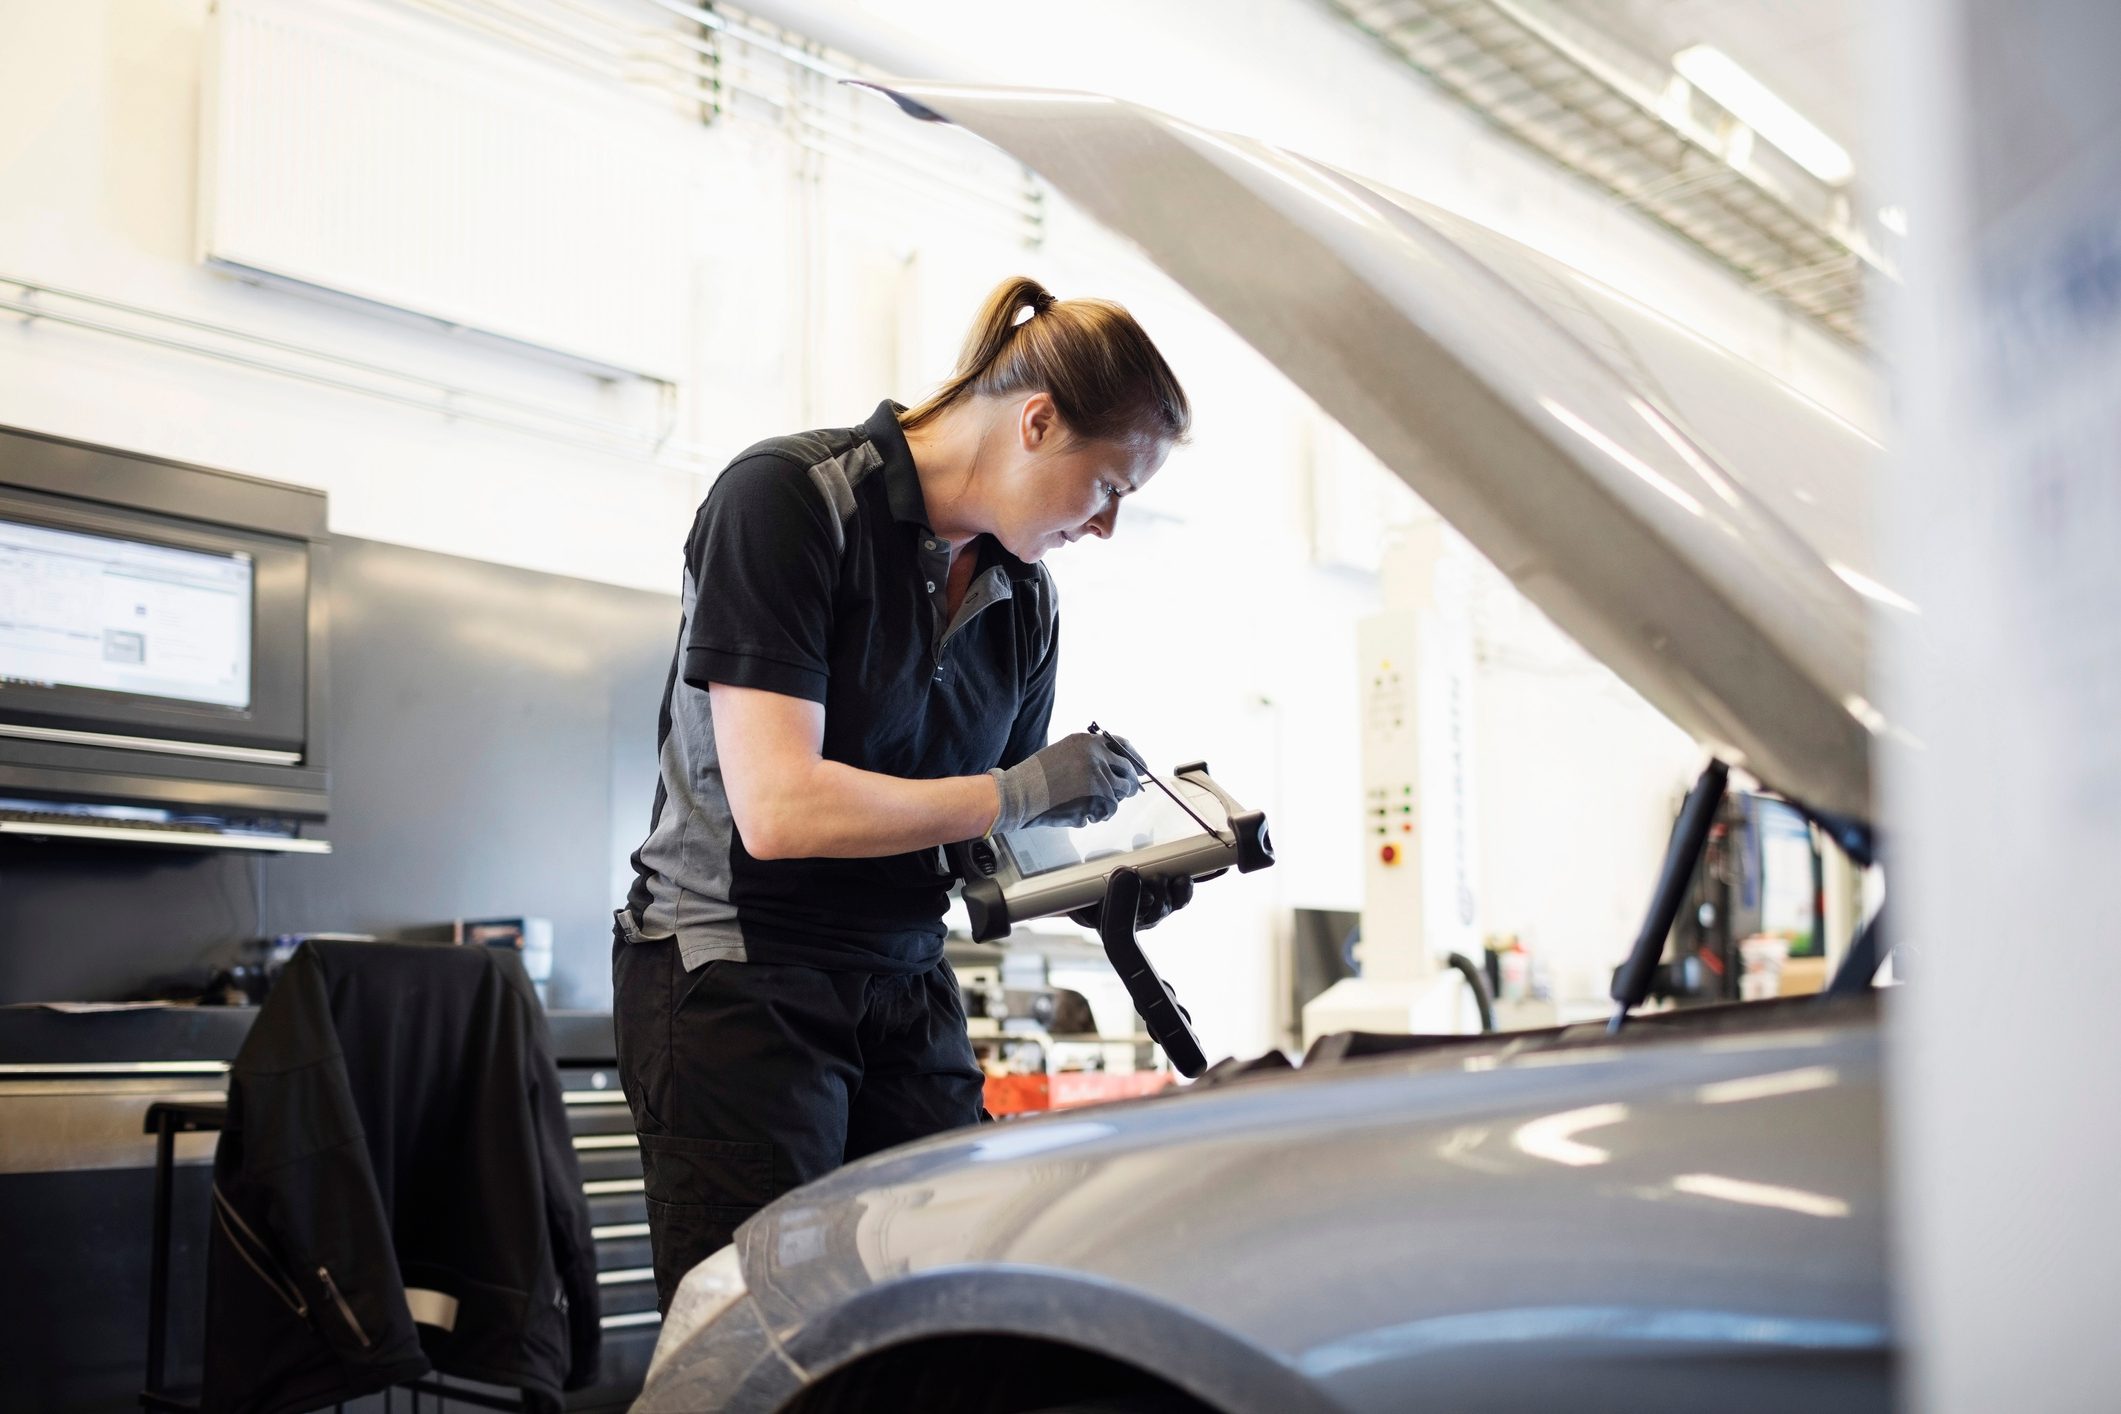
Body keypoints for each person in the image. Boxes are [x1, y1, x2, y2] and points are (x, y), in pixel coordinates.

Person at [612, 275, 1195, 1311]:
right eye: (1109, 488)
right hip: (741, 974)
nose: (1106, 528)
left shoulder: (1024, 595)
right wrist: (1018, 793)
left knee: (938, 1319)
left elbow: (989, 841)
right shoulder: (788, 500)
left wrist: (1113, 875)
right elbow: (782, 809)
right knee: (760, 1342)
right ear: (1037, 420)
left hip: (900, 976)